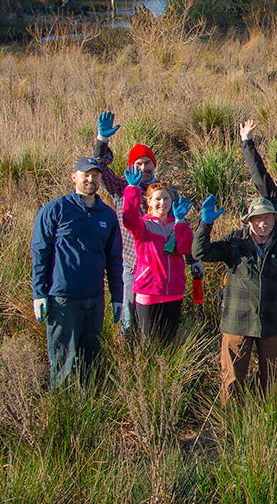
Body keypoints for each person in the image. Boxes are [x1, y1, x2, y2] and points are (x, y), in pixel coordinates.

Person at [193, 196, 277, 404]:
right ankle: (231, 425)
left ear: (274, 219)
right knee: (232, 379)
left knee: (272, 379)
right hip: (237, 323)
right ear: (249, 221)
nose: (263, 223)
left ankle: (268, 423)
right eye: (258, 218)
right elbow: (200, 252)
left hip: (272, 323)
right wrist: (205, 224)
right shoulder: (235, 242)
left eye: (268, 217)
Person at [92, 110, 200, 335]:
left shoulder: (166, 193)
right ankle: (135, 362)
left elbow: (180, 228)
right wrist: (102, 140)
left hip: (166, 268)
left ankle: (161, 359)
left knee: (162, 325)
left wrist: (193, 260)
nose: (144, 168)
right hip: (133, 265)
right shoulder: (121, 187)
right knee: (130, 321)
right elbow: (98, 167)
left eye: (148, 163)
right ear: (132, 167)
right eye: (139, 164)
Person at [30, 157, 124, 386]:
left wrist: (117, 297)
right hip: (63, 299)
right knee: (63, 360)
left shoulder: (107, 215)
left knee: (90, 359)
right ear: (74, 177)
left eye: (96, 175)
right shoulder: (55, 210)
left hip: (94, 299)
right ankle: (61, 410)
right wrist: (39, 293)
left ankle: (87, 408)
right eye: (86, 174)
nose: (91, 179)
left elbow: (114, 259)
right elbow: (41, 253)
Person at [120, 171, 194, 343]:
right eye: (158, 199)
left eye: (166, 199)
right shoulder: (143, 226)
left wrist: (181, 222)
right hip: (149, 292)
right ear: (149, 202)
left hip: (174, 292)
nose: (162, 203)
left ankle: (169, 370)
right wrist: (132, 189)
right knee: (149, 343)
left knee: (169, 342)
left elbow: (185, 248)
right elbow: (129, 219)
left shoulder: (177, 225)